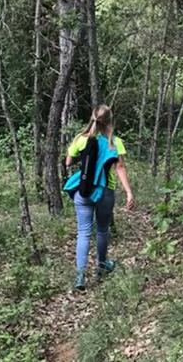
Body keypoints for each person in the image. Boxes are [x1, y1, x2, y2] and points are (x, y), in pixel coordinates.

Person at [65, 104, 134, 291]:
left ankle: (80, 277)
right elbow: (119, 168)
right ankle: (102, 266)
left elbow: (69, 161)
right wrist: (128, 192)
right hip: (104, 191)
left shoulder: (81, 139)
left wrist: (84, 157)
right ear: (109, 121)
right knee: (102, 230)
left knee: (83, 232)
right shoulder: (114, 142)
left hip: (83, 190)